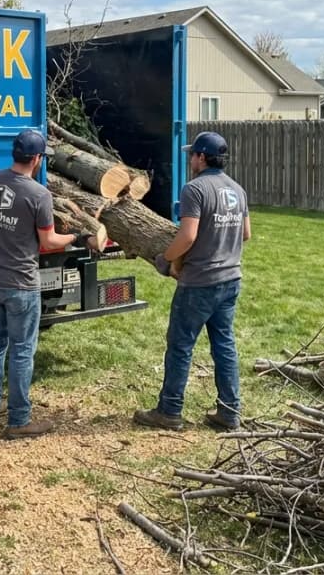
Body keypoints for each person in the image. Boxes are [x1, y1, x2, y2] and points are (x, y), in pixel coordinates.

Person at [0, 128, 95, 440]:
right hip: (20, 282)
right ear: (37, 159)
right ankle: (19, 421)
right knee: (22, 350)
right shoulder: (38, 194)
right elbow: (48, 241)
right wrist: (78, 238)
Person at [134, 130, 251, 431]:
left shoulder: (195, 189)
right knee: (224, 346)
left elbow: (187, 236)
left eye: (192, 155)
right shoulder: (237, 190)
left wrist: (166, 260)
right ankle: (229, 412)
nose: (190, 160)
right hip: (231, 279)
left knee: (180, 346)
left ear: (201, 157)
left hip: (199, 282)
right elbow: (246, 234)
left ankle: (169, 411)